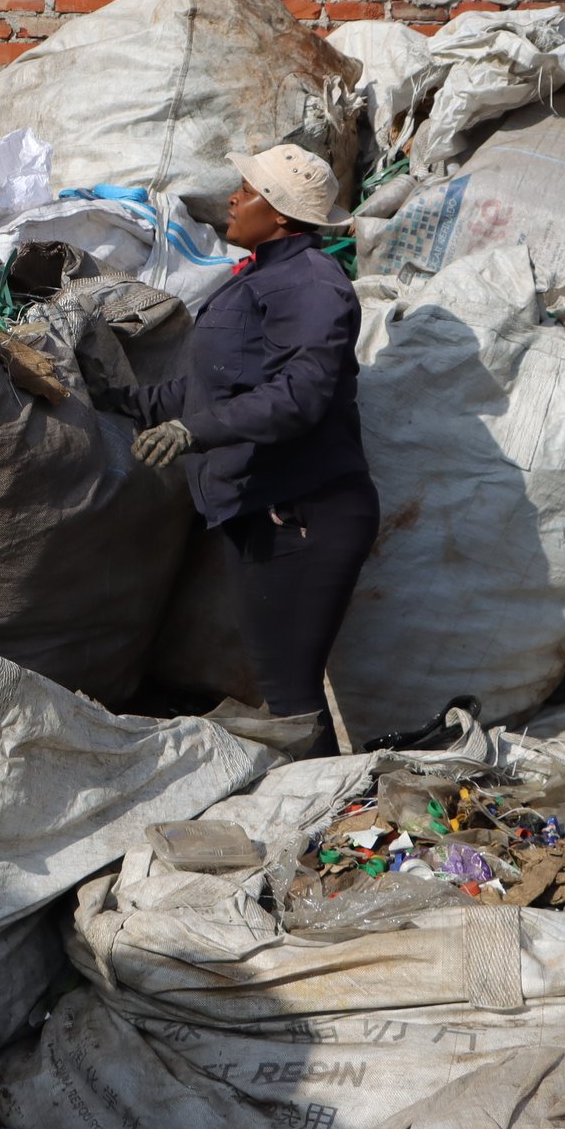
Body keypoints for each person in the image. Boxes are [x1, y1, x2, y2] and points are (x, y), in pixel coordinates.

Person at [116, 144, 376, 748]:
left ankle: (330, 813)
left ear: (281, 213)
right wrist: (122, 400)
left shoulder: (311, 285)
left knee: (289, 692)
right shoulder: (260, 277)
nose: (233, 199)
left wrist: (192, 433)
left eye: (248, 191)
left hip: (306, 515)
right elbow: (213, 387)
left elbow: (301, 393)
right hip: (264, 510)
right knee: (281, 685)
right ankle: (324, 806)